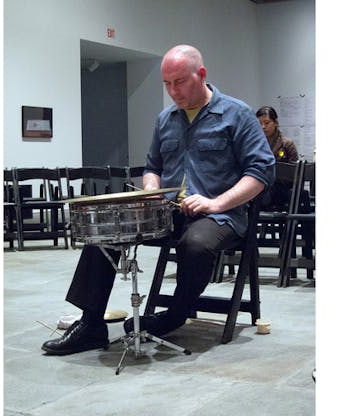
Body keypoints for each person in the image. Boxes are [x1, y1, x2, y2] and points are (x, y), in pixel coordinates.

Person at [41, 44, 275, 356]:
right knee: (106, 230)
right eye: (166, 83)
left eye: (179, 82)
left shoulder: (237, 114)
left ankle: (177, 313)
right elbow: (153, 167)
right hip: (169, 213)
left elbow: (261, 171)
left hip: (221, 216)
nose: (173, 91)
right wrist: (152, 191)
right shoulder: (166, 119)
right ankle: (91, 323)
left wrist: (216, 203)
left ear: (201, 74)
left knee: (196, 243)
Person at [255, 106, 299, 210]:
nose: (263, 126)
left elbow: (295, 173)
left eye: (267, 122)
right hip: (260, 184)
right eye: (259, 123)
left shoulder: (286, 144)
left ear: (275, 123)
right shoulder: (255, 143)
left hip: (281, 188)